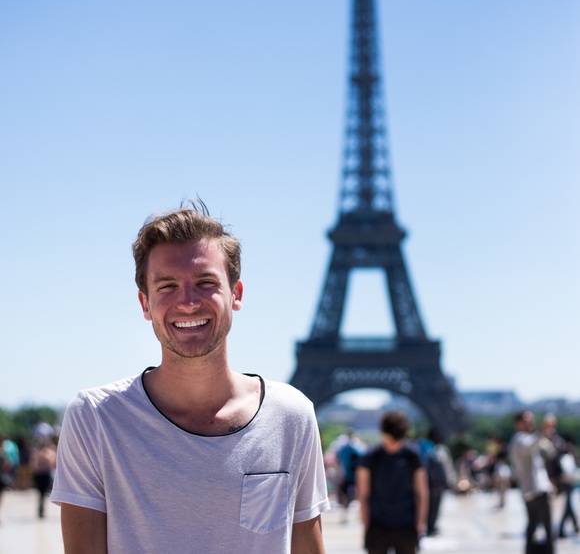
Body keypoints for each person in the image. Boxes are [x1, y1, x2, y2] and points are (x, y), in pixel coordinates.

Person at [51, 200, 330, 553]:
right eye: (167, 286)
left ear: (236, 294)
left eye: (205, 282)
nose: (188, 301)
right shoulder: (95, 417)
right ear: (145, 304)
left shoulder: (291, 416)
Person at [356, 411, 428, 554]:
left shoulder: (413, 456)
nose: (393, 445)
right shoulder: (370, 457)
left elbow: (422, 493)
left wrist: (420, 523)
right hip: (377, 524)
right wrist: (366, 523)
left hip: (406, 525)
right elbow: (363, 495)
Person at [509, 410, 556, 554]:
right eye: (527, 420)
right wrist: (543, 430)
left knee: (533, 526)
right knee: (546, 527)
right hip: (535, 491)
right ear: (518, 423)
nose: (531, 422)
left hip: (532, 490)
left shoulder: (527, 439)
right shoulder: (520, 439)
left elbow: (549, 452)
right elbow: (530, 445)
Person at [30, 438, 57, 518]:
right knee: (41, 493)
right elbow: (33, 464)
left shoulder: (49, 452)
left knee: (43, 494)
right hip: (39, 475)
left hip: (45, 474)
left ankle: (41, 510)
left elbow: (52, 463)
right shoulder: (37, 453)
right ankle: (41, 510)